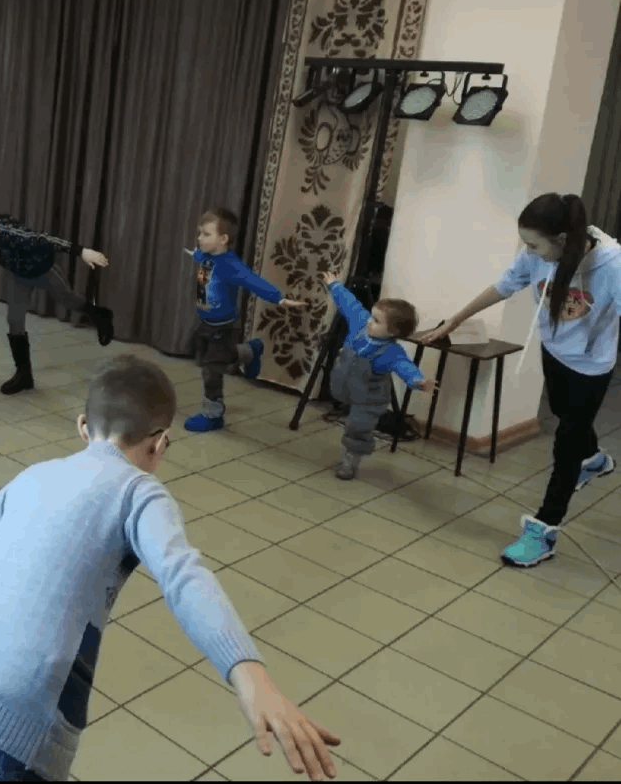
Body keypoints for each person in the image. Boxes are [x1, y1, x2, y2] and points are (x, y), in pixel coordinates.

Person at [0, 355, 340, 783]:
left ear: (83, 427)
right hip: (20, 730)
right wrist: (249, 675)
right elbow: (184, 577)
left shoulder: (33, 476)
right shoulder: (140, 492)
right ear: (160, 443)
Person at [417, 193, 621, 567]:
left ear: (562, 239)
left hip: (591, 368)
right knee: (565, 415)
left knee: (566, 445)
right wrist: (456, 320)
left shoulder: (613, 265)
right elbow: (503, 286)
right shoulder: (536, 256)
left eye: (534, 245)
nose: (528, 252)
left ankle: (545, 528)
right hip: (554, 351)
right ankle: (593, 458)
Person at [0, 190, 113, 395]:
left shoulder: (3, 229)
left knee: (68, 300)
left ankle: (101, 315)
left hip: (43, 269)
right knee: (14, 320)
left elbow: (43, 238)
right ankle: (24, 375)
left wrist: (81, 251)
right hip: (18, 275)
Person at [183, 209, 305, 432]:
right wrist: (195, 255)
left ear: (223, 239)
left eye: (206, 234)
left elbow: (253, 281)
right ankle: (250, 352)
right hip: (204, 321)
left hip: (222, 326)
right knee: (210, 357)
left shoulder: (231, 265)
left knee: (212, 368)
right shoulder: (205, 255)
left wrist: (278, 298)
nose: (200, 238)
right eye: (200, 233)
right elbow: (200, 257)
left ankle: (213, 414)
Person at [321, 270, 437, 479]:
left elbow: (405, 366)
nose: (369, 321)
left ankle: (350, 462)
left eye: (376, 320)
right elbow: (349, 303)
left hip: (370, 400)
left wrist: (418, 381)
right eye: (372, 316)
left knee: (358, 428)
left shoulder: (391, 352)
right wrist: (334, 285)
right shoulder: (360, 322)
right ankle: (351, 444)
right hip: (345, 388)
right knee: (349, 414)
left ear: (392, 332)